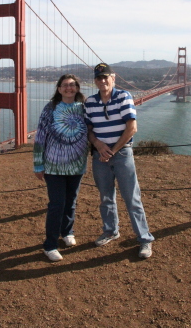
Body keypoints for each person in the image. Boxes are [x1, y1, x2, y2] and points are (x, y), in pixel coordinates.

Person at [84, 63, 154, 259]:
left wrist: (112, 150)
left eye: (106, 77)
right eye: (99, 78)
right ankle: (110, 231)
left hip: (121, 154)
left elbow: (132, 128)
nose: (103, 80)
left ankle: (145, 239)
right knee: (106, 198)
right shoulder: (89, 102)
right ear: (95, 81)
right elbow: (89, 130)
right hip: (100, 156)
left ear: (113, 78)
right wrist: (98, 145)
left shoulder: (124, 97)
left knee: (132, 199)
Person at [33, 74, 88, 262]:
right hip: (53, 167)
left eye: (72, 85)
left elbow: (96, 129)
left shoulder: (84, 108)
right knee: (57, 205)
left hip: (77, 165)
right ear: (58, 89)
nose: (69, 88)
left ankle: (67, 232)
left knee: (71, 201)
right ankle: (50, 245)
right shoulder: (50, 109)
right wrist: (38, 164)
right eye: (65, 85)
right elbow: (40, 137)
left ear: (78, 88)